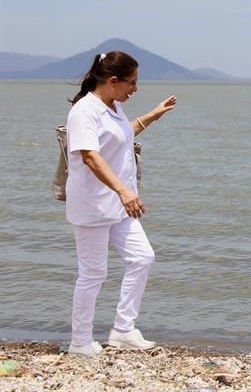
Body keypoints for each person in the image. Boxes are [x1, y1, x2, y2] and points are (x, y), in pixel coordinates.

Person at [65, 51, 176, 357]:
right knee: (93, 274)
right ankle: (80, 341)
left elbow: (123, 136)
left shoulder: (111, 107)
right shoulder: (84, 111)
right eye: (132, 83)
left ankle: (123, 330)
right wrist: (123, 191)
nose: (135, 89)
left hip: (118, 206)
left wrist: (154, 114)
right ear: (113, 81)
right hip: (94, 205)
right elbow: (90, 155)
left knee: (142, 258)